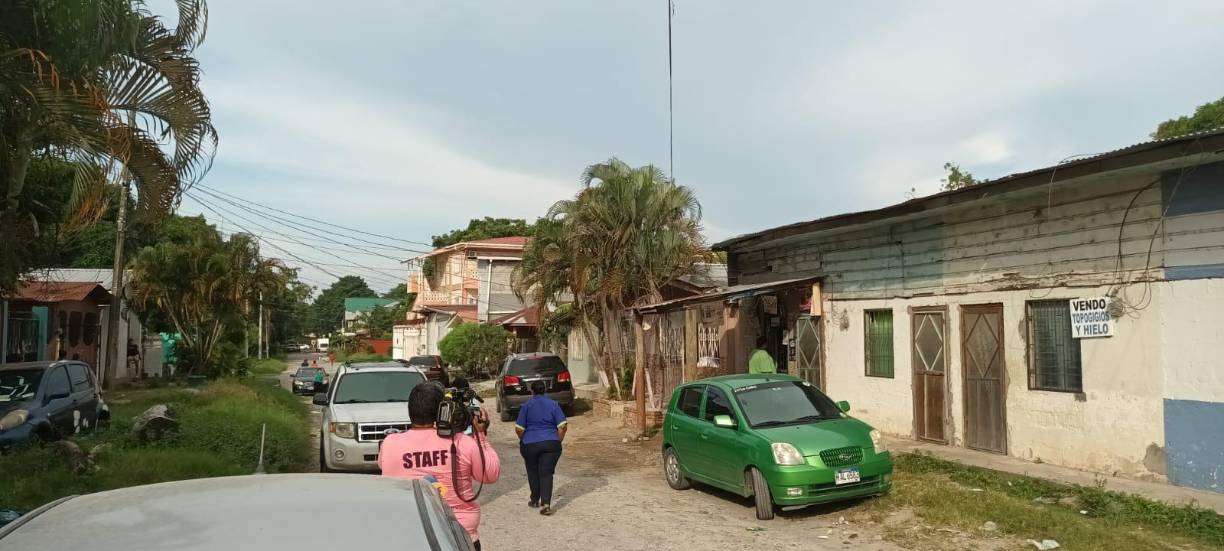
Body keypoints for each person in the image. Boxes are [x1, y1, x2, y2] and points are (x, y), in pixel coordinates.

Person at [379, 382, 500, 549]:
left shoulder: (389, 444)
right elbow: (490, 474)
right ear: (442, 411)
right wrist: (480, 435)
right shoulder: (462, 442)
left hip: (409, 535)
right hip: (460, 538)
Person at [515, 380, 567, 516]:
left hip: (530, 444)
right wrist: (558, 440)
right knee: (546, 473)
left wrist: (525, 439)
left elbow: (519, 429)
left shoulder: (526, 406)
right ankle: (546, 504)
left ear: (532, 391)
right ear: (545, 390)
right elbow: (562, 426)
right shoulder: (554, 405)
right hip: (551, 443)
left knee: (533, 471)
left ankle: (534, 500)